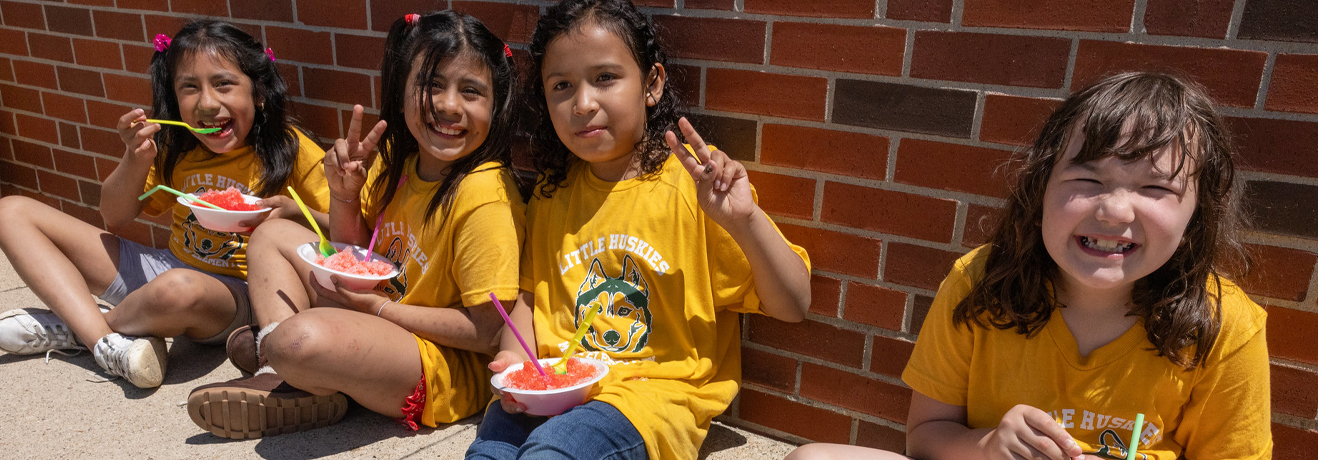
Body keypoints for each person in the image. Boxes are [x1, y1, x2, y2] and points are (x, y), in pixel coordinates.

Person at [785, 72, 1271, 460]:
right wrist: (990, 445)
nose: (1115, 210)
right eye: (1087, 177)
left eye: (1155, 189)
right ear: (1041, 188)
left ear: (1198, 212)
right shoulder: (979, 281)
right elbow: (925, 438)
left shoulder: (1225, 326)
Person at [463, 1, 812, 459]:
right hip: (554, 386)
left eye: (605, 78)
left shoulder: (696, 187)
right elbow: (530, 298)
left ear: (652, 84)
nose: (583, 103)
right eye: (562, 86)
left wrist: (745, 221)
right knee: (488, 454)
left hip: (647, 399)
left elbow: (794, 304)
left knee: (549, 453)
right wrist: (516, 362)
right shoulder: (553, 193)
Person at [185, 10, 525, 439]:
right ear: (402, 91)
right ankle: (282, 371)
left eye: (471, 91)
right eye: (432, 85)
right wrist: (344, 194)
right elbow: (355, 256)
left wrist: (380, 309)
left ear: (496, 107)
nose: (448, 105)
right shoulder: (397, 159)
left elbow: (487, 331)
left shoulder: (483, 195)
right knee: (272, 233)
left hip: (438, 361)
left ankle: (290, 358)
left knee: (297, 340)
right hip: (379, 315)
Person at [0, 19, 328, 388]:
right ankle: (106, 339)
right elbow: (115, 216)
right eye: (189, 88)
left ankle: (81, 327)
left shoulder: (290, 150)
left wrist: (295, 211)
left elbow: (344, 232)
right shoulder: (176, 148)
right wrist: (134, 159)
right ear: (174, 99)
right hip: (168, 268)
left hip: (238, 296)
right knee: (11, 211)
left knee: (177, 289)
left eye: (223, 83)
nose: (207, 103)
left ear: (259, 93)